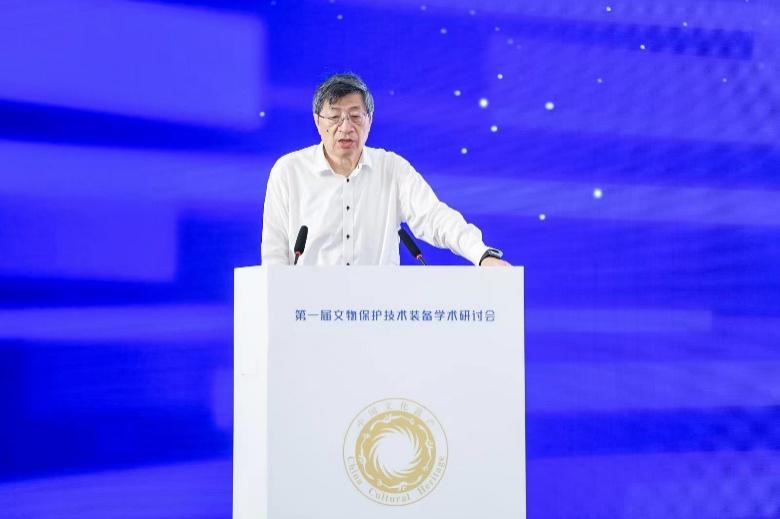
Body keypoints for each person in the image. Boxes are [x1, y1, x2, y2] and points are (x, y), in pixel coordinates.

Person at [261, 73, 509, 267]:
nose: (345, 127)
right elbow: (274, 252)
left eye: (355, 116)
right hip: (309, 309)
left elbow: (435, 217)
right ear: (317, 121)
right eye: (334, 117)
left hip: (378, 309)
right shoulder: (289, 171)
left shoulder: (392, 169)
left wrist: (481, 254)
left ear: (370, 120)